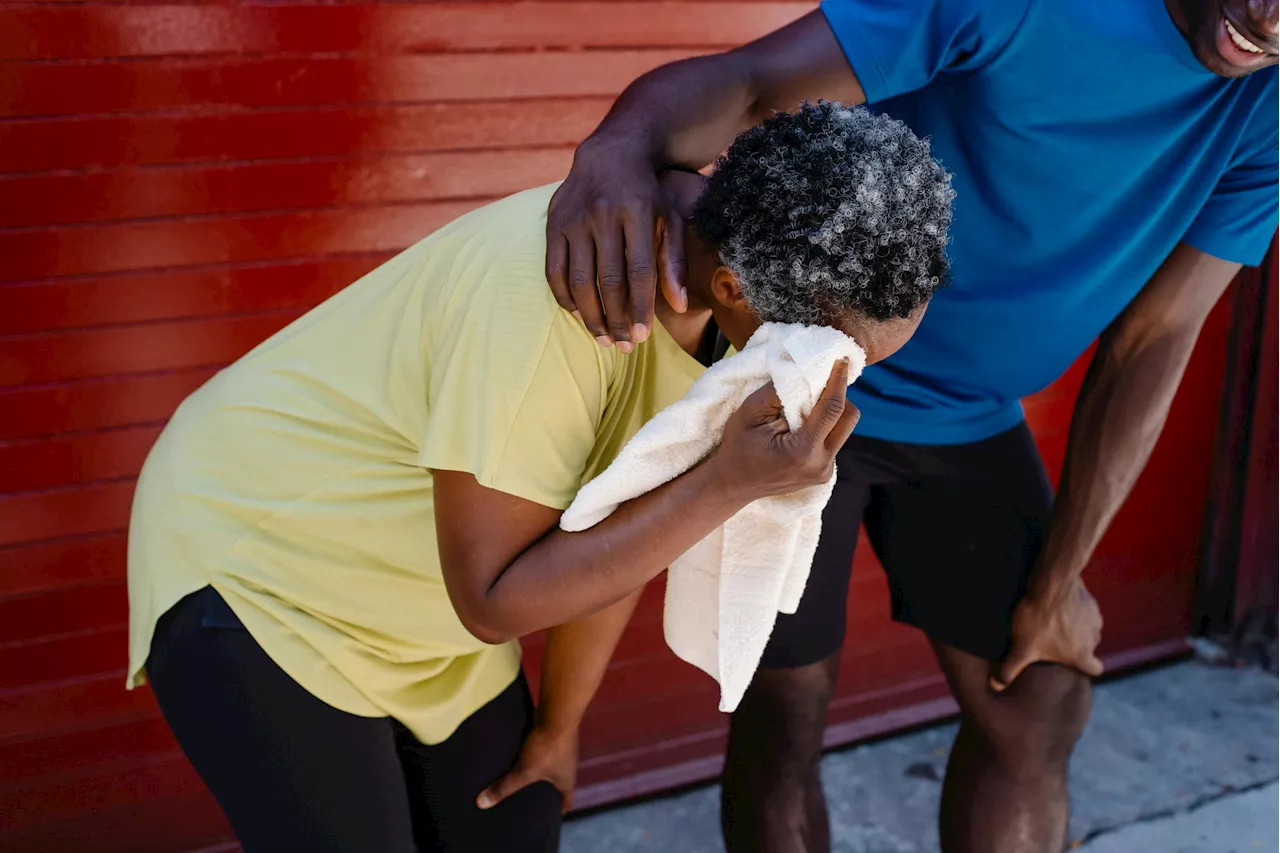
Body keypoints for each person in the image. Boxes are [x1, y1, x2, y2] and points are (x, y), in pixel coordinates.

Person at [543, 2, 1280, 852]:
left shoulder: (1264, 109)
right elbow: (748, 87)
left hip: (967, 419)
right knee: (785, 697)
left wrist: (1060, 578)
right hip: (798, 384)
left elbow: (1155, 337)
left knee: (1039, 695)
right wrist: (615, 149)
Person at [125, 103, 953, 852]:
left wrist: (559, 723)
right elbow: (493, 602)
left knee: (517, 825)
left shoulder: (724, 326)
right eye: (842, 356)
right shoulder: (561, 301)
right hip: (264, 576)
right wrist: (726, 484)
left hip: (425, 608)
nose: (842, 384)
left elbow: (617, 526)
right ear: (734, 287)